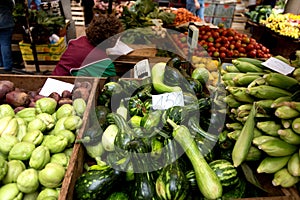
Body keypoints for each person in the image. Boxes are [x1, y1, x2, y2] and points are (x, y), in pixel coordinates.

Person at [52, 13, 124, 77]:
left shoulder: (78, 41)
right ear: (112, 40)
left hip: (51, 83)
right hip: (63, 89)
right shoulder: (104, 63)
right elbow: (111, 83)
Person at [0, 0, 15, 72]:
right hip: (6, 22)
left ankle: (0, 64)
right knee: (5, 45)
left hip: (5, 22)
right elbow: (11, 6)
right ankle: (7, 65)